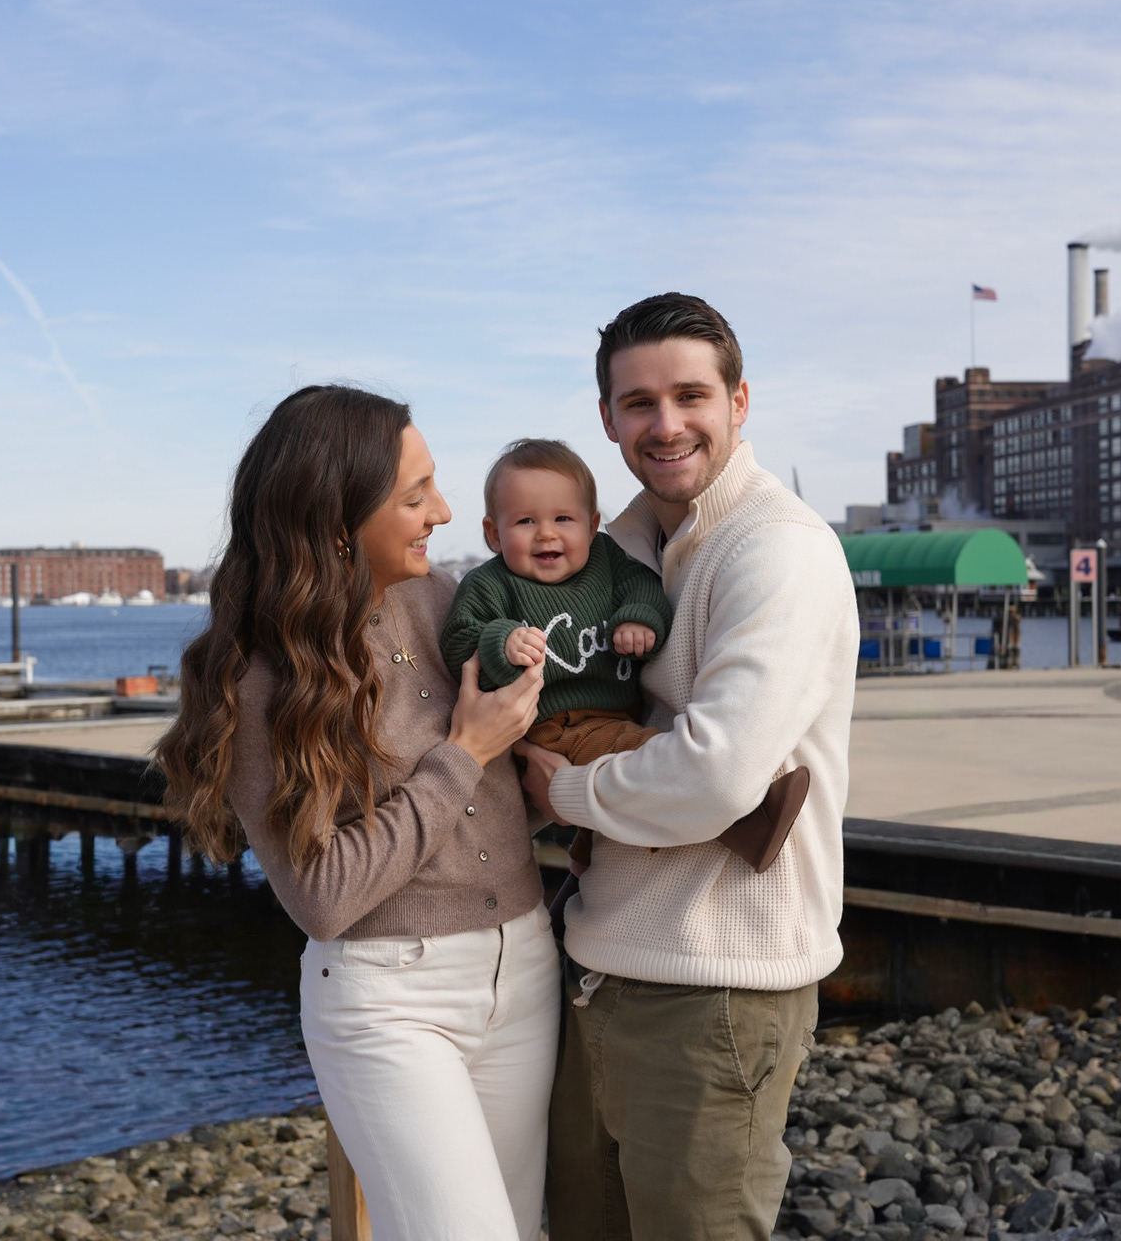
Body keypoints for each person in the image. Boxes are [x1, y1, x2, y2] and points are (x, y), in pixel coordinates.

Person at [157, 384, 560, 1241]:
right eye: (416, 496)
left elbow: (485, 815)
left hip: (526, 966)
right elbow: (322, 896)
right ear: (338, 520)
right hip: (390, 1001)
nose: (442, 512)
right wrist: (467, 753)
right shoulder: (258, 676)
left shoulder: (451, 602)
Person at [514, 295, 861, 1240]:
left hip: (719, 986)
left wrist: (565, 790)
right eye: (639, 403)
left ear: (739, 401)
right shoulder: (616, 551)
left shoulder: (779, 550)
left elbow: (717, 777)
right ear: (607, 419)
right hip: (597, 965)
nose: (665, 425)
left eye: (690, 396)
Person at [442, 437, 811, 882]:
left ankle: (585, 856)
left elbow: (641, 583)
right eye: (525, 521)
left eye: (563, 518)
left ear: (592, 524)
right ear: (493, 533)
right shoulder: (489, 584)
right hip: (553, 724)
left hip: (618, 710)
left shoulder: (607, 558)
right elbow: (458, 641)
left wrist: (639, 618)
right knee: (649, 757)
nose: (546, 533)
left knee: (628, 753)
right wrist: (501, 643)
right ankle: (752, 825)